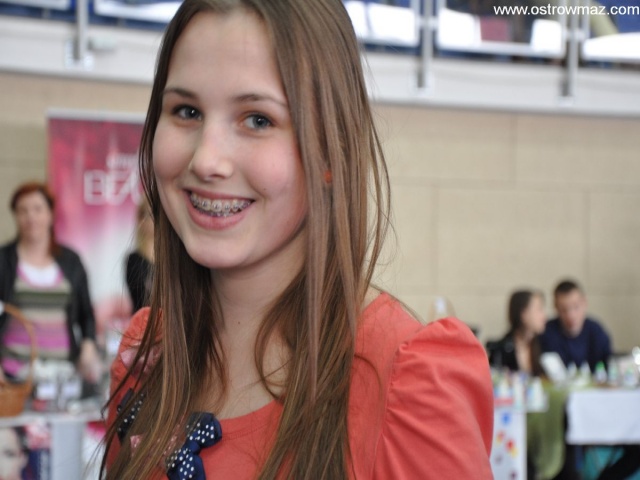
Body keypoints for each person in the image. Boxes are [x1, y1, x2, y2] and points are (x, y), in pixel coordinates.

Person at [102, 1, 494, 478]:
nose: (206, 160)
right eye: (187, 111)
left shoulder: (406, 383)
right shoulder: (147, 353)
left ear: (329, 150)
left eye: (257, 119)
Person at [0, 182, 102, 386]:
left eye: (37, 209)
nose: (31, 217)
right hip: (12, 374)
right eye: (23, 210)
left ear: (50, 214)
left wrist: (88, 346)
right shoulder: (4, 260)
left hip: (63, 374)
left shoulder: (71, 261)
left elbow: (86, 313)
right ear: (15, 216)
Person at [540, 279, 611, 372]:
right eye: (563, 310)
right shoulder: (546, 333)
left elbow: (609, 367)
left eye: (576, 307)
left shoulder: (597, 332)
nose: (570, 315)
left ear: (584, 303)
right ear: (556, 307)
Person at [487, 289, 546, 375]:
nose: (544, 316)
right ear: (524, 314)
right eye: (539, 309)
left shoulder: (545, 346)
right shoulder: (501, 351)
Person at [125, 199, 154, 313]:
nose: (152, 219)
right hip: (143, 320)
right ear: (140, 219)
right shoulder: (134, 260)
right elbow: (139, 298)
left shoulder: (172, 260)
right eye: (147, 214)